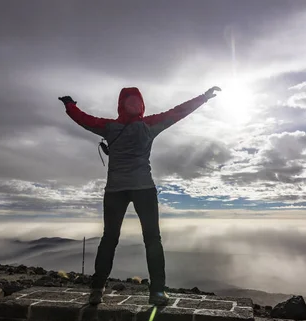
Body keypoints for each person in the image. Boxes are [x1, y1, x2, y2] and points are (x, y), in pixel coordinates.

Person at [59, 86, 221, 306]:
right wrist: (203, 98)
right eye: (131, 101)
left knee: (109, 238)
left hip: (115, 190)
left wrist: (70, 105)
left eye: (135, 101)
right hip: (144, 189)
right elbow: (178, 112)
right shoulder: (149, 125)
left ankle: (97, 289)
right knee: (152, 239)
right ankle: (157, 292)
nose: (134, 104)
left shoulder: (110, 127)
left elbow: (85, 120)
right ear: (132, 105)